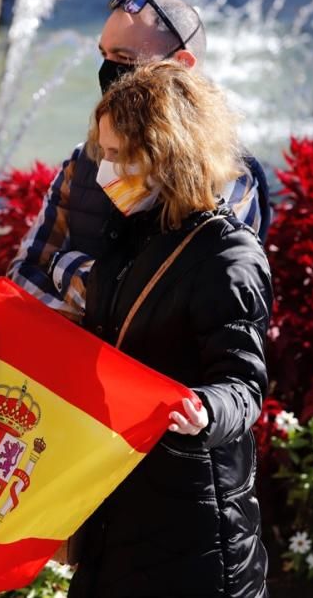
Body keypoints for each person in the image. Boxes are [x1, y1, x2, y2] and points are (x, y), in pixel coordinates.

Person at [66, 60, 271, 596]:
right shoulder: (130, 232)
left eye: (116, 155)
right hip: (122, 499)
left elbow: (243, 385)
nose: (104, 169)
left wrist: (204, 410)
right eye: (102, 153)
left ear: (164, 152)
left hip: (194, 524)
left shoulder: (227, 254)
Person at [4, 0, 271, 324]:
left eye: (126, 60)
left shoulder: (229, 178)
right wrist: (101, 312)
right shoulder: (84, 161)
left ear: (182, 65)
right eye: (104, 54)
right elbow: (23, 274)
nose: (109, 72)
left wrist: (65, 265)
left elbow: (170, 307)